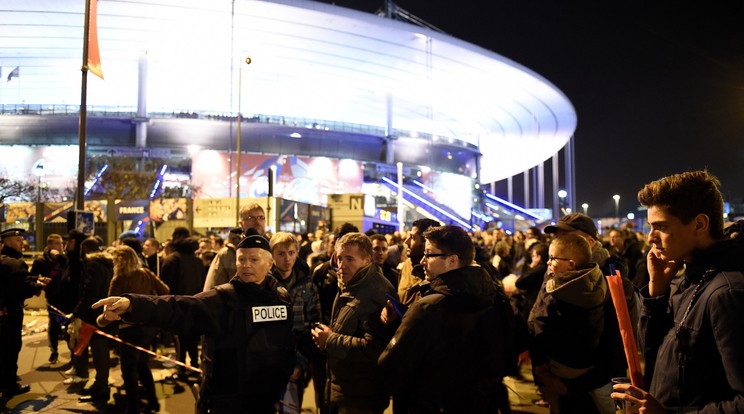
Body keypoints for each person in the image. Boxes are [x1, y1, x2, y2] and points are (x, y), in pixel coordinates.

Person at [94, 233, 295, 413]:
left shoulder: (281, 298)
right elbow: (178, 307)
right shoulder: (223, 299)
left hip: (265, 400)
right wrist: (133, 304)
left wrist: (278, 392)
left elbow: (285, 349)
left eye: (253, 260)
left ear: (269, 264)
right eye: (241, 259)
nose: (246, 265)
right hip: (227, 401)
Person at [611, 171, 744, 413]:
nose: (651, 238)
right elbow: (651, 351)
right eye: (651, 227)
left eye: (660, 226)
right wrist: (657, 292)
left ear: (700, 224)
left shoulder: (727, 292)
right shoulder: (685, 280)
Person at [378, 225, 512, 413]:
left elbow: (391, 364)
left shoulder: (428, 308)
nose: (423, 261)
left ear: (452, 260)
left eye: (429, 254)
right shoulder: (494, 295)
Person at [311, 232, 397, 413]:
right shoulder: (350, 284)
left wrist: (329, 339)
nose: (342, 265)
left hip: (361, 397)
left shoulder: (375, 292)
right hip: (346, 390)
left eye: (350, 259)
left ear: (367, 259)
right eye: (340, 258)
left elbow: (375, 348)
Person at [528, 233, 608, 414]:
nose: (548, 263)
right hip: (587, 367)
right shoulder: (597, 283)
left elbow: (541, 328)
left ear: (571, 264)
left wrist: (540, 366)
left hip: (557, 367)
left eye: (552, 258)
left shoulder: (556, 293)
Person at [97, 245, 170, 414]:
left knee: (129, 371)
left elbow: (110, 307)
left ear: (119, 261)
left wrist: (103, 321)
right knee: (143, 364)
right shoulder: (146, 273)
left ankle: (133, 408)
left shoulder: (119, 279)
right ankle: (152, 401)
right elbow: (165, 290)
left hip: (129, 329)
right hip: (148, 327)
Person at [270, 232, 321, 410]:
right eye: (281, 253)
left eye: (291, 253)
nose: (287, 258)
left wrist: (300, 363)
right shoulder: (263, 284)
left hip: (296, 356)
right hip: (267, 361)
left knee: (291, 408)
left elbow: (314, 324)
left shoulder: (307, 285)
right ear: (272, 256)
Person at [0, 229, 50, 398]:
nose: (23, 243)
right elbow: (21, 289)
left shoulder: (6, 261)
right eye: (18, 240)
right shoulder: (15, 264)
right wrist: (38, 285)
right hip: (10, 313)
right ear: (7, 242)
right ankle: (9, 385)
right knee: (11, 348)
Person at [70, 237, 116, 401]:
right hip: (105, 314)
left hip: (94, 316)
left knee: (99, 353)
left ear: (85, 250)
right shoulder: (107, 264)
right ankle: (101, 385)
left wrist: (76, 313)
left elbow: (88, 293)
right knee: (101, 352)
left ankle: (101, 388)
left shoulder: (92, 266)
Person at [160, 227, 204, 377]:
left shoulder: (172, 259)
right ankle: (194, 364)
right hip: (195, 303)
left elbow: (164, 286)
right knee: (191, 336)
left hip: (177, 304)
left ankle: (181, 367)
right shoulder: (198, 261)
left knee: (179, 338)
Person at [203, 202, 266, 291]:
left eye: (261, 218)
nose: (257, 222)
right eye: (250, 218)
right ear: (241, 223)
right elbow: (210, 291)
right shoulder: (227, 254)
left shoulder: (273, 250)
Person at [30, 233, 68, 365]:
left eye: (62, 243)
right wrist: (40, 281)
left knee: (69, 325)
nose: (61, 246)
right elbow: (32, 277)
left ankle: (73, 354)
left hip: (67, 297)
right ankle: (54, 351)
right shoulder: (41, 261)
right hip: (52, 297)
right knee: (54, 324)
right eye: (58, 244)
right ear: (50, 245)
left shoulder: (64, 259)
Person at [397, 219, 440, 305]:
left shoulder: (437, 270)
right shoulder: (407, 264)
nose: (406, 241)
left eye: (412, 237)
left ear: (426, 242)